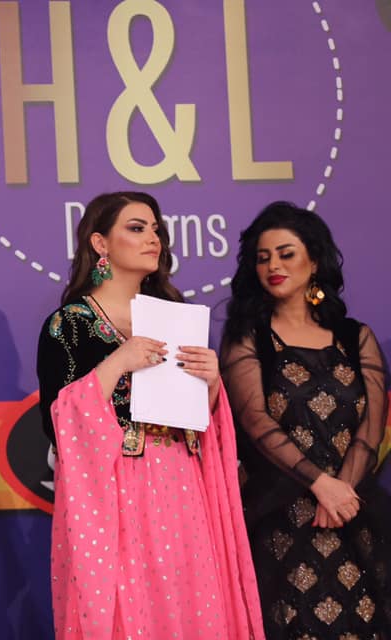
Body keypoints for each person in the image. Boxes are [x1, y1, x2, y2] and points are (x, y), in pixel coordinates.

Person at [36, 191, 263, 639]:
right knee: (131, 610)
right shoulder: (70, 324)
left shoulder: (174, 319)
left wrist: (211, 384)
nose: (153, 239)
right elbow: (58, 422)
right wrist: (117, 363)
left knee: (193, 606)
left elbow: (199, 421)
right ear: (100, 243)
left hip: (184, 485)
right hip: (119, 491)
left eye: (156, 229)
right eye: (137, 228)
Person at [221, 201, 391, 638]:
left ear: (314, 261)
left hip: (354, 515)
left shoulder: (355, 337)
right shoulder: (248, 338)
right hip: (280, 519)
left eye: (286, 254)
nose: (273, 266)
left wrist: (342, 491)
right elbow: (255, 421)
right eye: (263, 258)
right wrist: (321, 485)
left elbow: (372, 425)